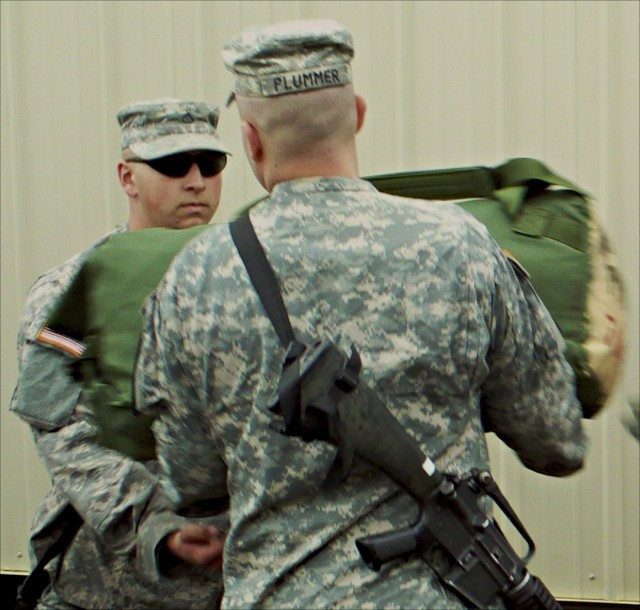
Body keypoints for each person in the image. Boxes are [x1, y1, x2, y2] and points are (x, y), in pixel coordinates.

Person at [134, 20, 588, 609]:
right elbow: (556, 442)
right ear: (360, 114)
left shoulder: (193, 276)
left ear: (250, 139)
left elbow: (191, 485)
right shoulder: (462, 247)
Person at [10, 98, 230, 610]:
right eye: (174, 166)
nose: (196, 180)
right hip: (112, 586)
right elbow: (64, 432)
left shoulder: (249, 284)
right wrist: (156, 524)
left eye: (210, 164)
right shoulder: (78, 291)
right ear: (127, 178)